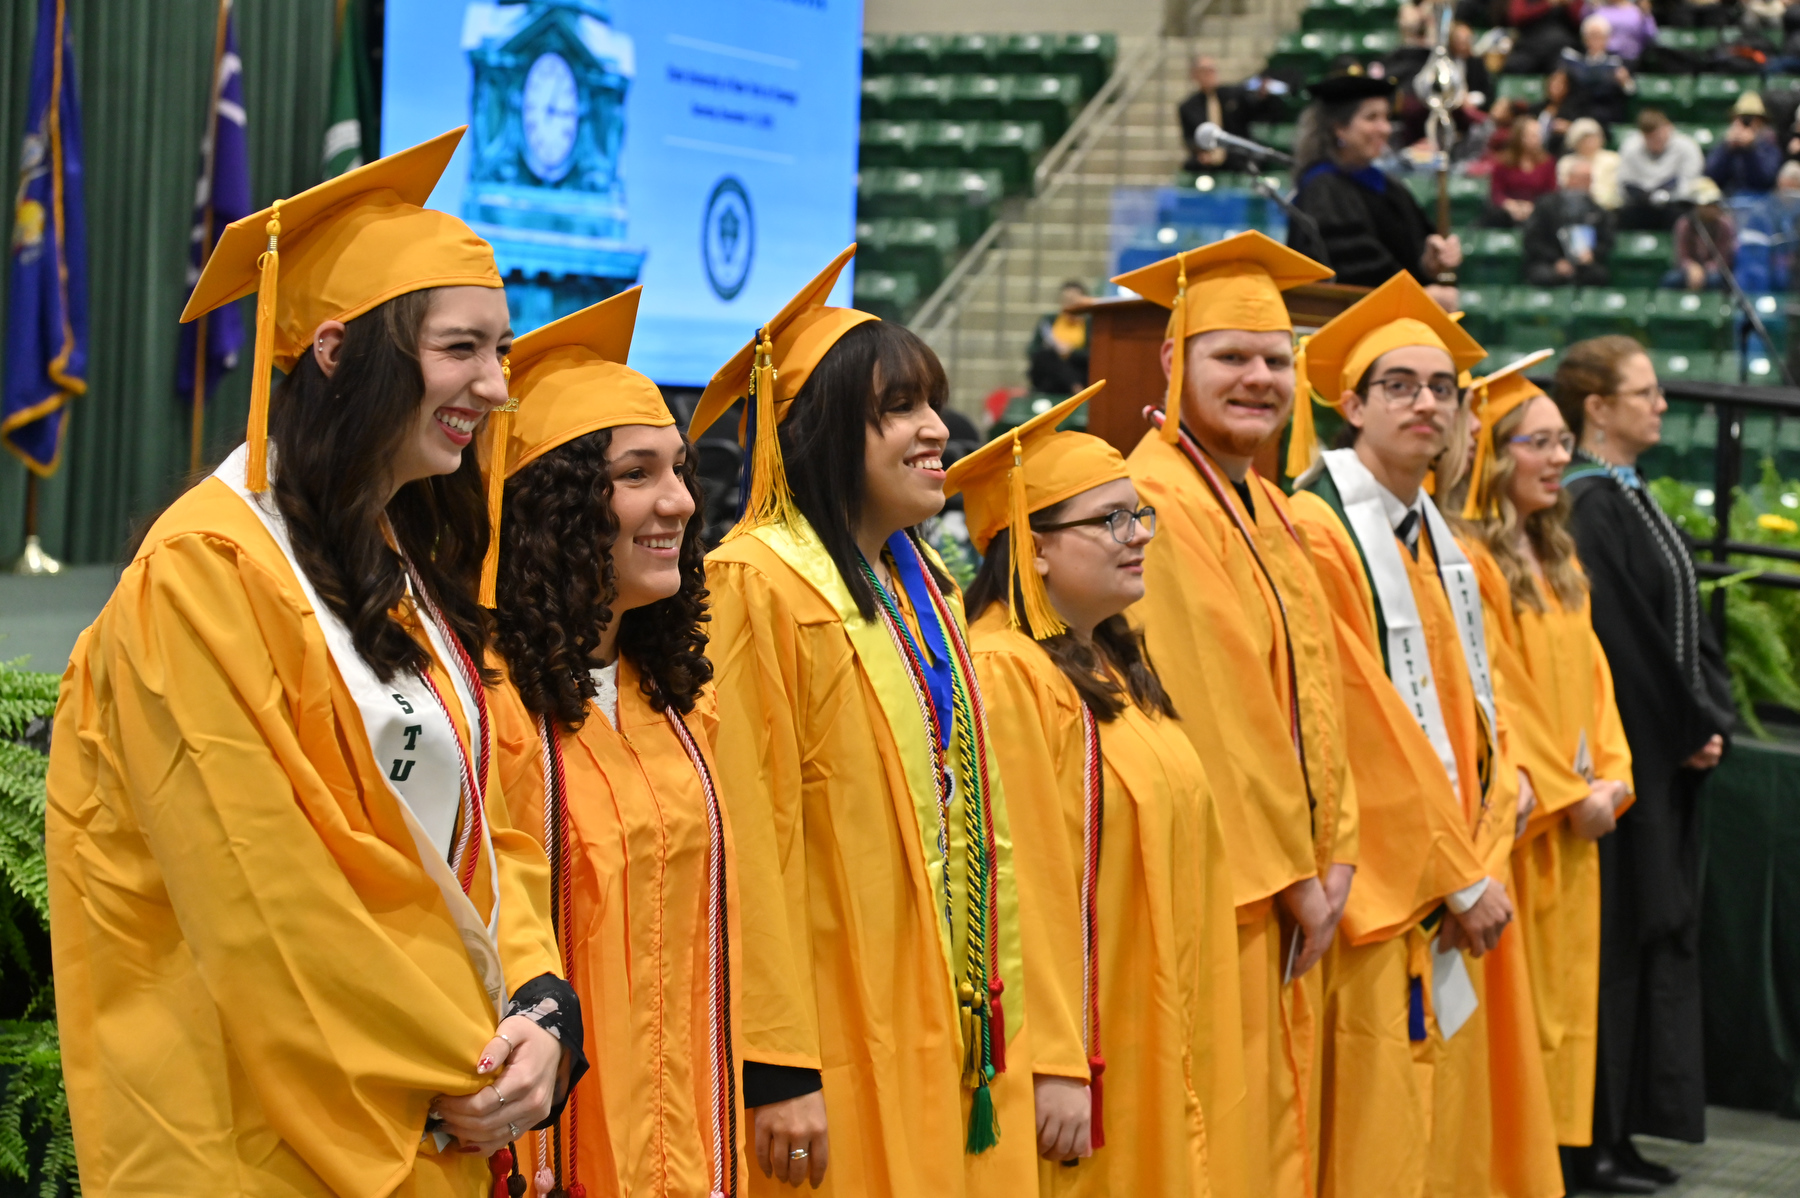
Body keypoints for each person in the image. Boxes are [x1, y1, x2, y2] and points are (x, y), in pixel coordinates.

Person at [45, 128, 586, 1194]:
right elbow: (262, 892)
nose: (495, 385)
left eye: (503, 351)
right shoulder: (204, 573)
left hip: (434, 1110)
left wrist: (539, 1002)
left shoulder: (398, 569)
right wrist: (462, 1053)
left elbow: (482, 822)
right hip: (260, 1134)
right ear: (338, 349)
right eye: (461, 348)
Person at [693, 247, 1044, 1195]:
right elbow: (748, 838)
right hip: (839, 1019)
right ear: (818, 430)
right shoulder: (753, 584)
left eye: (931, 403)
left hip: (943, 1006)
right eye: (898, 408)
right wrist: (776, 1063)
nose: (936, 430)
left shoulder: (919, 580)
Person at [1285, 273, 1561, 1198]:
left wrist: (1508, 789)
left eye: (1441, 386)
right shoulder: (1321, 529)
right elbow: (1352, 727)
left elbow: (1483, 703)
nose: (1426, 402)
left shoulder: (1437, 536)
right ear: (1351, 403)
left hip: (1461, 872)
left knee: (1447, 1126)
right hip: (1388, 887)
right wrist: (1455, 870)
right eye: (1398, 384)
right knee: (1379, 1130)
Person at [482, 289, 745, 1198]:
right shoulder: (490, 708)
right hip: (545, 1156)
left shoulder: (674, 706)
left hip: (685, 1143)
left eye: (679, 469)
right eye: (637, 473)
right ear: (554, 509)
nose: (678, 499)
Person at [1113, 232, 1360, 1198]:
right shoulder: (1156, 502)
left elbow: (1317, 694)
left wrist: (1336, 847)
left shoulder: (1259, 501)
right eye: (1231, 357)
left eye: (1275, 359)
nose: (1258, 377)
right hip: (1225, 889)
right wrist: (1301, 872)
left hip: (1288, 886)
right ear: (1174, 362)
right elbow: (1216, 712)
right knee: (1221, 1133)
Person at [954, 385, 1247, 1197]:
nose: (1137, 537)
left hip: (1150, 1017)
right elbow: (1022, 882)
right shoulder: (1008, 671)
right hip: (1090, 1047)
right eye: (1109, 520)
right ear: (1032, 546)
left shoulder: (1107, 663)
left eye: (1139, 514)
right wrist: (1055, 1057)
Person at [1553, 337, 1734, 1193]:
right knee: (1616, 943)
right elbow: (1620, 645)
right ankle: (1589, 1141)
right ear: (1598, 406)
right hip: (1624, 761)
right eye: (1646, 391)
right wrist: (1685, 724)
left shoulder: (1627, 493)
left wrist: (1710, 717)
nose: (1661, 404)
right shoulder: (1589, 508)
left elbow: (1685, 619)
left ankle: (1618, 1133)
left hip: (1660, 755)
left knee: (1647, 935)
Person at [1455, 359, 1636, 1182]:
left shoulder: (1558, 556)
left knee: (1567, 1004)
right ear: (1496, 453)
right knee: (1518, 1015)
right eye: (1539, 443)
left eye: (1564, 442)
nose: (1558, 458)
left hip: (1578, 823)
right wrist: (1567, 793)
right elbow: (1494, 692)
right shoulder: (1472, 563)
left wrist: (1614, 777)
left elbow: (1597, 680)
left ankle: (1559, 1159)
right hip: (1525, 827)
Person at [1290, 73, 1463, 308]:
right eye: (1372, 118)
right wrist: (1418, 296)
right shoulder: (1322, 189)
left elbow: (1405, 259)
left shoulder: (1387, 185)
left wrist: (1429, 263)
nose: (1385, 128)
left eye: (1387, 117)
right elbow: (1354, 272)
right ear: (1339, 128)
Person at [1179, 53, 1288, 173]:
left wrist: (1262, 97)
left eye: (1212, 70)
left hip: (1235, 156)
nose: (1210, 74)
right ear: (1195, 75)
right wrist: (1201, 153)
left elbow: (1256, 110)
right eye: (1205, 71)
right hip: (1207, 159)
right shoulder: (1188, 107)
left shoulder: (1234, 95)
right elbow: (1190, 138)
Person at [1524, 156, 1617, 285]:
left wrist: (1592, 254)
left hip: (1584, 264)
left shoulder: (1598, 211)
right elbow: (1532, 240)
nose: (1586, 183)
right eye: (1582, 178)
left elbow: (1607, 240)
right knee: (1543, 276)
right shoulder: (1546, 206)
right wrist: (1556, 260)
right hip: (1549, 262)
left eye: (1589, 179)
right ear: (1570, 179)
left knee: (1598, 275)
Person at [1618, 109, 1704, 229]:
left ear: (1669, 128)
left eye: (1658, 136)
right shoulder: (1630, 147)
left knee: (1685, 215)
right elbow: (1625, 182)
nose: (1655, 141)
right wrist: (1647, 196)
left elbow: (1690, 181)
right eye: (1650, 138)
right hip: (1641, 204)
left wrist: (1664, 191)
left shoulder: (1687, 147)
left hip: (1674, 203)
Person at [1560, 16, 1637, 129]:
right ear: (1584, 39)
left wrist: (1625, 81)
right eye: (1591, 36)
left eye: (1599, 36)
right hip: (1578, 112)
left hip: (1605, 114)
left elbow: (1631, 92)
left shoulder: (1618, 61)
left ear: (1607, 38)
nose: (1595, 40)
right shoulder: (1575, 59)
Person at [1487, 113, 1559, 227]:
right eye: (1532, 135)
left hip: (1537, 212)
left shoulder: (1547, 163)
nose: (1537, 139)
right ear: (1519, 137)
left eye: (1538, 135)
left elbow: (1551, 193)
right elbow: (1496, 192)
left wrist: (1532, 207)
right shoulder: (1503, 162)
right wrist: (1511, 206)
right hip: (1507, 212)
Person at [1665, 176, 1736, 290]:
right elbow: (1682, 257)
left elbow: (1723, 259)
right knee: (1671, 279)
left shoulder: (1725, 225)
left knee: (1715, 279)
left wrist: (1704, 270)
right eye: (1708, 204)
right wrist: (1692, 267)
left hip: (1714, 270)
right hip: (1690, 270)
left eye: (1715, 204)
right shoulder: (1684, 224)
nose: (1713, 208)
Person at [1705, 91, 1782, 195]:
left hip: (1759, 200)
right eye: (1740, 118)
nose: (1744, 124)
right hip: (1728, 197)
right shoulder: (1726, 143)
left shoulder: (1769, 144)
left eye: (1749, 119)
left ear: (1761, 121)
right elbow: (1711, 176)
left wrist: (1750, 149)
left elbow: (1766, 180)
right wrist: (1727, 149)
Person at [1027, 280, 1092, 397]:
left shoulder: (1091, 324)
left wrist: (1071, 352)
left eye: (1074, 301)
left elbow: (1095, 356)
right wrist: (1053, 349)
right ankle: (1074, 386)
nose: (1070, 305)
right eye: (1066, 301)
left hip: (1078, 370)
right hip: (1050, 377)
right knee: (1047, 355)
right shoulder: (1048, 320)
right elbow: (1032, 350)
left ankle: (1075, 385)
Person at [1507, 0, 1586, 74]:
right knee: (1511, 67)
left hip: (1562, 48)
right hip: (1530, 48)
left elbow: (1582, 21)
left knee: (1572, 71)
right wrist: (1548, 4)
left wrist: (1569, 4)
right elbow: (1517, 16)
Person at [1562, 117, 1624, 208]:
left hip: (1606, 208)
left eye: (1593, 137)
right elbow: (1565, 189)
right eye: (1585, 138)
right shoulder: (1566, 162)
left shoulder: (1612, 159)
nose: (1590, 142)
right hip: (1574, 207)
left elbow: (1616, 191)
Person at [1591, 0, 1659, 62]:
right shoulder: (1599, 10)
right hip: (1603, 59)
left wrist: (1646, 14)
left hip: (1631, 59)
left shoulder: (1637, 11)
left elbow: (1651, 35)